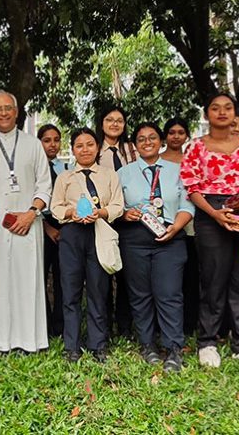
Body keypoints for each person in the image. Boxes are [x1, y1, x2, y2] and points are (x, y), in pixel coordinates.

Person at [180, 92, 239, 370]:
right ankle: (207, 341)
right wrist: (215, 213)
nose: (221, 112)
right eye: (215, 108)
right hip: (210, 212)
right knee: (213, 280)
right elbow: (191, 187)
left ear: (234, 113)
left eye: (227, 108)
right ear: (207, 114)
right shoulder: (195, 147)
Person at [0, 90, 52, 353]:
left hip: (29, 221)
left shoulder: (33, 144)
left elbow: (44, 183)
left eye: (8, 108)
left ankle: (28, 339)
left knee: (27, 278)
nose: (4, 113)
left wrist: (32, 212)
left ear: (17, 112)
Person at [117, 123, 194, 373]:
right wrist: (125, 214)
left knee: (169, 293)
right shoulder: (124, 173)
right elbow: (115, 206)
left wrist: (176, 227)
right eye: (141, 139)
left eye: (152, 137)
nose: (147, 142)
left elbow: (188, 205)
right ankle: (147, 344)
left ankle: (173, 347)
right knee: (140, 295)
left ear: (160, 141)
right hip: (135, 238)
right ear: (135, 145)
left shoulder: (178, 170)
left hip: (170, 235)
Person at [51, 128, 122, 362]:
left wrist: (100, 212)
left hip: (98, 232)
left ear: (97, 147)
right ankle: (71, 345)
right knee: (70, 291)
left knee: (98, 289)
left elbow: (117, 206)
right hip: (71, 235)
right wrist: (71, 212)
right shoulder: (65, 177)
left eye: (90, 144)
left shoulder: (109, 175)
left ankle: (97, 344)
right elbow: (56, 208)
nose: (85, 149)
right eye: (79, 145)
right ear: (72, 149)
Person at [95, 105, 135, 338]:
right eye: (109, 120)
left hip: (129, 218)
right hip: (102, 219)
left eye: (119, 120)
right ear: (101, 123)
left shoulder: (131, 149)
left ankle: (125, 325)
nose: (114, 124)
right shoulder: (94, 149)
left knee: (126, 274)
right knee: (102, 274)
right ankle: (105, 325)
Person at [161, 117, 199, 336]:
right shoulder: (156, 160)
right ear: (166, 136)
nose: (176, 136)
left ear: (186, 136)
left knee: (191, 275)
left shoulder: (192, 160)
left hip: (191, 226)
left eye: (180, 132)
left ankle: (189, 322)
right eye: (172, 132)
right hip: (164, 225)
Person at [37, 123, 66, 337]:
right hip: (41, 226)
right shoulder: (35, 169)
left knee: (62, 278)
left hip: (63, 228)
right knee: (39, 277)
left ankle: (61, 325)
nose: (52, 144)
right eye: (47, 140)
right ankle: (44, 325)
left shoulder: (66, 169)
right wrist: (47, 228)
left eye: (56, 140)